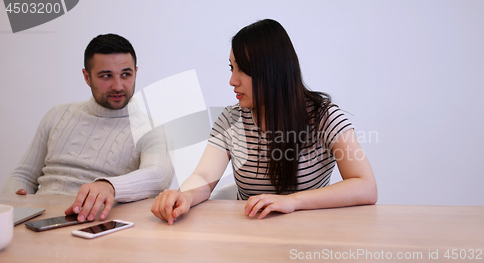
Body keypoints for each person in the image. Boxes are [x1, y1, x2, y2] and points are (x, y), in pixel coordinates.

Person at [151, 19, 377, 225]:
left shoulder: (323, 116)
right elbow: (204, 177)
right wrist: (185, 196)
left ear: (272, 72)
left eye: (243, 69)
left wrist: (293, 201)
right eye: (231, 67)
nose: (232, 80)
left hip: (310, 236)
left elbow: (365, 185)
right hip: (250, 237)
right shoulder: (231, 119)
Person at [3, 34, 174, 222]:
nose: (118, 86)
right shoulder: (57, 114)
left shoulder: (151, 129)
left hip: (93, 224)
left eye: (126, 74)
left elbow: (159, 176)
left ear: (135, 72)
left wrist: (109, 186)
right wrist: (14, 206)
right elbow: (23, 176)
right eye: (106, 76)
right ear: (87, 77)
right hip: (36, 219)